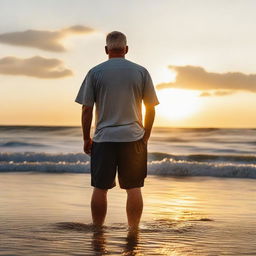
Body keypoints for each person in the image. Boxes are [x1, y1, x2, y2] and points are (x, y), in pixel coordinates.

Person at [75, 31, 159, 230]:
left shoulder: (95, 72)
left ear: (106, 50)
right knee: (134, 188)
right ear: (126, 49)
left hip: (104, 138)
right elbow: (151, 108)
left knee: (100, 188)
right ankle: (133, 231)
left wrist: (87, 138)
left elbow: (86, 109)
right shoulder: (141, 71)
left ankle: (97, 230)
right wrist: (145, 136)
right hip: (133, 137)